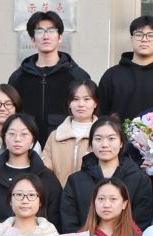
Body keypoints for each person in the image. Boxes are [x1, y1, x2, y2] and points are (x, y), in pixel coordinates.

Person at [59, 117, 153, 234]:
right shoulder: (75, 180)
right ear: (91, 143)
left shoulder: (139, 180)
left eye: (111, 138)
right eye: (98, 139)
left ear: (121, 143)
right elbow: (69, 223)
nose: (104, 144)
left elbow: (141, 222)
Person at [9, 10, 94, 144]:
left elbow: (88, 115)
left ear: (60, 37)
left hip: (65, 146)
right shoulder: (18, 77)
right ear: (32, 38)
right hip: (27, 147)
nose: (46, 36)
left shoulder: (78, 76)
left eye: (51, 30)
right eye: (40, 31)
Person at [0, 114, 62, 227]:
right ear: (4, 138)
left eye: (24, 134)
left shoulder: (47, 179)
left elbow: (56, 221)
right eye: (11, 134)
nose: (17, 139)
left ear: (33, 140)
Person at [97, 14, 153, 123]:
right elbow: (102, 115)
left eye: (151, 35)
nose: (144, 39)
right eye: (139, 35)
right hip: (119, 133)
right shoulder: (112, 75)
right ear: (132, 39)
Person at [40, 80, 101, 188]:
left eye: (87, 99)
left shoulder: (103, 136)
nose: (81, 104)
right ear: (69, 103)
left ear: (95, 103)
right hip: (59, 196)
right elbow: (44, 171)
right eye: (75, 99)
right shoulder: (55, 136)